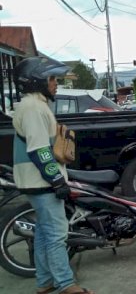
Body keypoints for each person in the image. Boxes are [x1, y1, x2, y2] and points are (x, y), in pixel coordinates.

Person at [12, 57, 94, 294]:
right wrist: (57, 181)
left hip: (35, 182)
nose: (55, 84)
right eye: (52, 79)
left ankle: (45, 282)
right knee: (57, 235)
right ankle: (66, 285)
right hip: (42, 182)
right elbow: (39, 150)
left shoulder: (32, 105)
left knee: (43, 234)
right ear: (37, 81)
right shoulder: (34, 108)